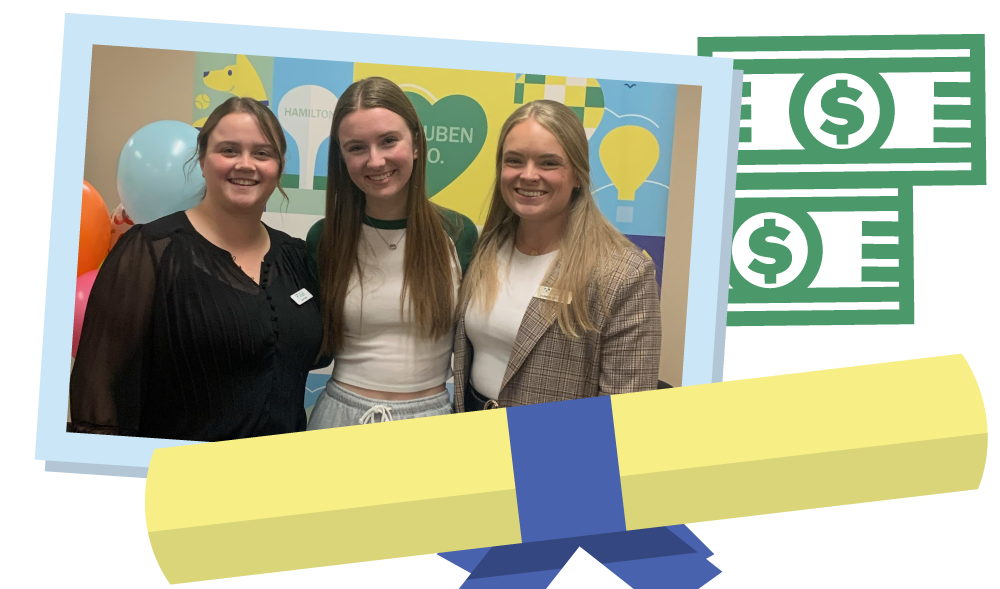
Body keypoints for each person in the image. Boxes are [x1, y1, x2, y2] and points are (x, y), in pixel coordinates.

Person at [69, 97, 327, 441]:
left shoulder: (296, 257)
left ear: (278, 168)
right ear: (202, 160)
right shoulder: (151, 252)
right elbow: (102, 398)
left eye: (262, 153)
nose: (246, 164)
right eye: (229, 150)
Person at [454, 99, 661, 412]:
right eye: (514, 160)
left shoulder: (623, 273)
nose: (528, 175)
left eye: (548, 163)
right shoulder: (488, 248)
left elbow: (626, 413)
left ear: (577, 174)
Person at [306, 77, 478, 429]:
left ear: (415, 144)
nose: (375, 160)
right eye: (356, 148)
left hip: (432, 418)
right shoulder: (325, 237)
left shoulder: (459, 232)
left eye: (388, 141)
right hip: (340, 417)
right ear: (341, 158)